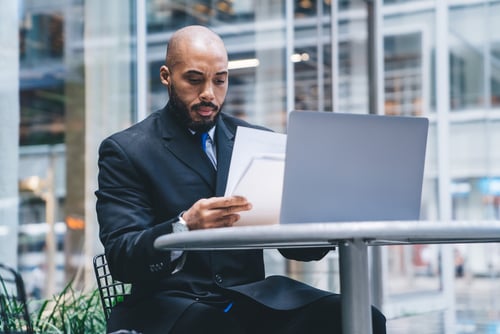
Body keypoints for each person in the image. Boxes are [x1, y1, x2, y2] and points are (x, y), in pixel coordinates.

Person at [95, 25, 386, 334]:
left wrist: (321, 210)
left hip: (252, 297)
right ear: (166, 76)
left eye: (220, 80)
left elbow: (299, 251)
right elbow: (122, 256)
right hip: (172, 302)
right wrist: (183, 226)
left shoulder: (258, 142)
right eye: (194, 79)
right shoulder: (127, 150)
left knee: (362, 318)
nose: (209, 92)